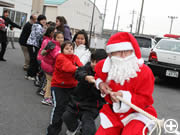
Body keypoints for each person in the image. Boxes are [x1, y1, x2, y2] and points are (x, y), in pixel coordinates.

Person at [94, 32, 157, 135]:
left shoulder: (145, 72)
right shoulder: (103, 67)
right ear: (110, 54)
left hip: (138, 113)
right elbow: (97, 76)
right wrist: (100, 84)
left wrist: (124, 96)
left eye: (127, 51)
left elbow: (145, 99)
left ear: (133, 51)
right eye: (118, 51)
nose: (123, 55)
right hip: (113, 113)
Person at [62, 49, 107, 135]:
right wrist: (86, 77)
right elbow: (78, 72)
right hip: (76, 102)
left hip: (92, 107)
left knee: (88, 129)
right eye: (92, 61)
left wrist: (97, 87)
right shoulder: (87, 67)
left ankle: (83, 129)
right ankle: (73, 128)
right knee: (66, 116)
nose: (94, 64)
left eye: (97, 62)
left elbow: (104, 95)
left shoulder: (106, 76)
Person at [47, 41, 83, 135]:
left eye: (71, 49)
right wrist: (77, 69)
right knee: (59, 107)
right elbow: (67, 67)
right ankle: (53, 130)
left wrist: (85, 72)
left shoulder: (75, 57)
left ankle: (73, 127)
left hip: (72, 86)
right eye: (67, 49)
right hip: (58, 86)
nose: (69, 50)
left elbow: (81, 67)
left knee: (72, 108)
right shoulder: (60, 57)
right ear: (62, 50)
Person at [40, 31, 64, 105]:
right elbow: (56, 56)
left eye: (62, 37)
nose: (61, 39)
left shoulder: (53, 44)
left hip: (47, 66)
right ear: (55, 38)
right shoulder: (55, 47)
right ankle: (47, 98)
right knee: (51, 82)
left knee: (49, 80)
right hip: (50, 67)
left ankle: (43, 91)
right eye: (58, 38)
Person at [26, 14, 46, 80]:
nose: (44, 21)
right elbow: (38, 35)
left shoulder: (35, 25)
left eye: (44, 19)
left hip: (30, 43)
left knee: (33, 59)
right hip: (33, 44)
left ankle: (29, 74)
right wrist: (44, 32)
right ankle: (30, 75)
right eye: (42, 19)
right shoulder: (39, 26)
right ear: (39, 20)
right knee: (33, 60)